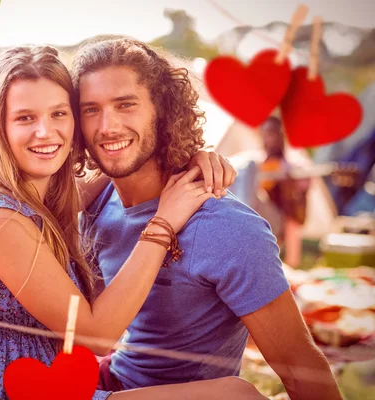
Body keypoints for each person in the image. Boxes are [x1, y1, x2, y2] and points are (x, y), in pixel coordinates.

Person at [0, 46, 264, 400]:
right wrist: (163, 222)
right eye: (25, 118)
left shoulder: (44, 199)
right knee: (235, 396)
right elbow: (95, 336)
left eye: (59, 114)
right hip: (8, 391)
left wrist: (191, 157)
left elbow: (125, 158)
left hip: (49, 383)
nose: (46, 132)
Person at [71, 38, 341, 399]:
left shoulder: (226, 228)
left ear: (163, 111)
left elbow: (300, 366)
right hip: (108, 380)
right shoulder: (97, 202)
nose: (108, 126)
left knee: (238, 396)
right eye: (91, 110)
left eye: (126, 105)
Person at [257, 116, 311, 268]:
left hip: (288, 213)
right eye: (268, 134)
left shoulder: (293, 163)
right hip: (264, 214)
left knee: (291, 222)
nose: (272, 138)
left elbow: (303, 186)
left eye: (275, 133)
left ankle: (290, 267)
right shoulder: (257, 162)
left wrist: (290, 183)